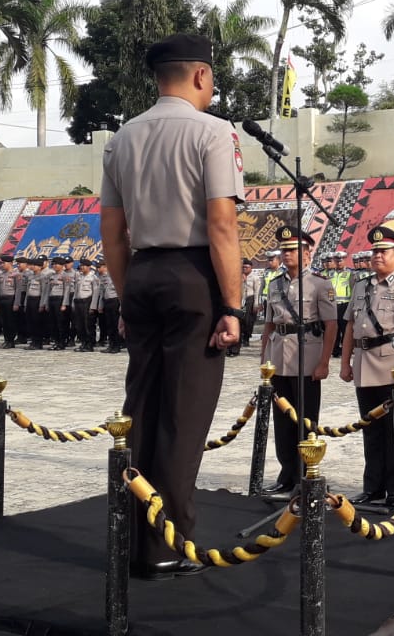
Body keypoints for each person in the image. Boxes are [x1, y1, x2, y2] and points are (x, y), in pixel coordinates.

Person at [99, 33, 246, 580]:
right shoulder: (214, 133)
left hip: (141, 273)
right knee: (183, 417)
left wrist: (125, 293)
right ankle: (170, 541)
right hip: (192, 276)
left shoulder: (121, 138)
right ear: (201, 76)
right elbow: (222, 224)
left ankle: (133, 536)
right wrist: (232, 306)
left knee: (141, 409)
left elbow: (112, 233)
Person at [339, 227, 394, 507]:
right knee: (371, 430)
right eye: (375, 251)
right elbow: (351, 327)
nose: (377, 256)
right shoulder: (360, 287)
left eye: (383, 252)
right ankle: (373, 487)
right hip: (365, 364)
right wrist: (345, 362)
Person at [259, 226, 338, 498]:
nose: (287, 254)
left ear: (307, 253)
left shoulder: (320, 283)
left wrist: (324, 362)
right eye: (284, 250)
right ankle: (286, 474)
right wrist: (264, 359)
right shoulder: (275, 283)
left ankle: (306, 474)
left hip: (307, 357)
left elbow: (330, 325)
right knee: (282, 422)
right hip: (279, 357)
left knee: (305, 421)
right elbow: (269, 325)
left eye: (293, 250)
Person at [90, 259, 124, 354]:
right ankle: (111, 344)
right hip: (107, 301)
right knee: (109, 325)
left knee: (115, 325)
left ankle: (116, 346)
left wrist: (121, 305)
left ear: (105, 267)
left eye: (99, 267)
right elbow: (101, 292)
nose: (97, 269)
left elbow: (121, 291)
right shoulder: (102, 278)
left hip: (115, 301)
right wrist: (100, 306)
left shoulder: (116, 276)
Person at [71, 258, 99, 352]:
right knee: (79, 325)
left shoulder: (93, 277)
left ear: (89, 267)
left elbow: (96, 292)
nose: (81, 267)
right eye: (81, 265)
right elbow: (76, 291)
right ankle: (83, 343)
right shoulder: (79, 277)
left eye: (83, 265)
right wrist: (73, 302)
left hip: (87, 301)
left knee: (88, 325)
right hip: (78, 301)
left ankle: (90, 345)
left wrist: (93, 306)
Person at [0, 255, 23, 349]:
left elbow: (18, 290)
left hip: (10, 299)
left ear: (10, 263)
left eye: (4, 263)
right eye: (2, 263)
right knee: (3, 322)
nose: (2, 264)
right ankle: (6, 340)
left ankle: (11, 341)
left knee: (10, 321)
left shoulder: (16, 275)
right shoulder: (1, 275)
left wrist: (16, 303)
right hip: (2, 299)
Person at [238, 258, 262, 354]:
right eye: (243, 267)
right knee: (241, 320)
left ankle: (246, 338)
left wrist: (256, 304)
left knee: (248, 320)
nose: (244, 269)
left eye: (246, 267)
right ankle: (241, 338)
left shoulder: (255, 277)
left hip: (250, 300)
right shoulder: (239, 276)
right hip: (241, 300)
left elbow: (257, 291)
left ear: (251, 268)